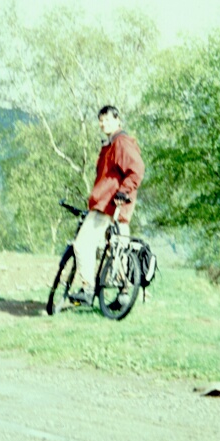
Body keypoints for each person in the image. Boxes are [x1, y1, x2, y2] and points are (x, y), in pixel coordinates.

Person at [70, 105, 145, 305]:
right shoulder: (113, 144)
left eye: (108, 119)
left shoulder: (120, 143)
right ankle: (123, 295)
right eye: (101, 120)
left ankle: (87, 289)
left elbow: (136, 169)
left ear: (118, 120)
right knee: (116, 251)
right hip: (121, 209)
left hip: (107, 206)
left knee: (82, 244)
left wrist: (123, 191)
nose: (103, 123)